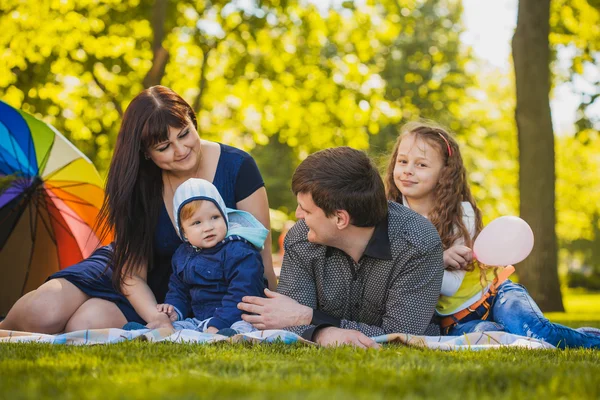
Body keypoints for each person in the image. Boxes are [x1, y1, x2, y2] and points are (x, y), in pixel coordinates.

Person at [0, 86, 276, 334]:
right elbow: (130, 273)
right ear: (146, 153)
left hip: (184, 295)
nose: (180, 150)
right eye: (164, 146)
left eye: (184, 134)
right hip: (128, 273)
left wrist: (273, 317)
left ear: (193, 120)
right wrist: (157, 320)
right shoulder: (138, 182)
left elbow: (260, 259)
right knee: (43, 312)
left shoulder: (238, 167)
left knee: (83, 325)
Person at [383, 121, 600, 349]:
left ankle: (591, 338)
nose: (408, 170)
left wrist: (424, 263)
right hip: (455, 321)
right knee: (497, 338)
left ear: (444, 173)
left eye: (421, 165)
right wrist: (441, 259)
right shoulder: (389, 218)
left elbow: (450, 285)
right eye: (403, 161)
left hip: (496, 295)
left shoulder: (460, 214)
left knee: (537, 332)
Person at [238, 147, 444, 348]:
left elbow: (401, 336)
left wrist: (310, 318)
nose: (298, 215)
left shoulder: (418, 244)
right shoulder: (301, 238)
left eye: (306, 210)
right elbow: (285, 320)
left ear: (340, 218)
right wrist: (322, 332)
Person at [150, 178, 267, 335]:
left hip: (239, 316)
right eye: (197, 223)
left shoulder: (239, 250)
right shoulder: (182, 255)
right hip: (202, 319)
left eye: (214, 217)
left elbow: (242, 293)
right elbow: (179, 290)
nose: (208, 227)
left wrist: (219, 324)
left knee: (242, 329)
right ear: (183, 231)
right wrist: (174, 310)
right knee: (180, 328)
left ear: (224, 216)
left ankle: (227, 336)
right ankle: (149, 332)